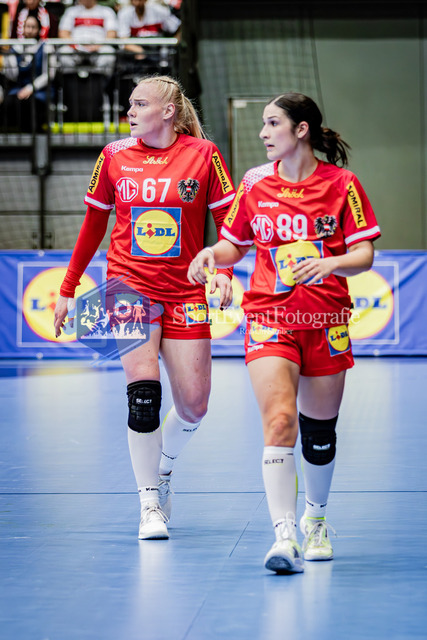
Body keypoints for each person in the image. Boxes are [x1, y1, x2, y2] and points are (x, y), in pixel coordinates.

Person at [188, 92, 381, 574]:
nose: (263, 133)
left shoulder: (343, 185)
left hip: (326, 323)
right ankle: (285, 536)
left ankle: (316, 521)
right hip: (269, 320)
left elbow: (364, 255)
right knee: (279, 422)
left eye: (273, 123)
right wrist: (210, 254)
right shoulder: (255, 182)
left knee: (319, 434)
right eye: (263, 124)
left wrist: (331, 263)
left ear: (301, 129)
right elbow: (233, 244)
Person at [53, 75, 236, 541]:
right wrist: (69, 287)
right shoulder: (113, 155)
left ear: (168, 111)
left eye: (139, 104)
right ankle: (149, 502)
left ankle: (164, 467)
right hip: (127, 288)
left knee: (194, 405)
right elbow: (93, 224)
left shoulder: (204, 155)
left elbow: (230, 222)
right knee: (143, 393)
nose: (129, 112)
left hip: (186, 290)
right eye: (130, 104)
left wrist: (224, 272)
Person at [0, 15, 56, 132]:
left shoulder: (46, 47)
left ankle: (35, 134)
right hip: (19, 89)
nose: (30, 30)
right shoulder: (16, 48)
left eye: (33, 27)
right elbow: (13, 76)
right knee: (9, 102)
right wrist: (8, 58)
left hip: (40, 90)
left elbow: (49, 74)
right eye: (27, 27)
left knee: (30, 104)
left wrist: (30, 88)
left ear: (39, 29)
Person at [58, 0, 118, 76]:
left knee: (108, 52)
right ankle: (71, 80)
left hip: (99, 48)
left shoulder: (106, 11)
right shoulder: (71, 11)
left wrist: (97, 46)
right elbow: (63, 33)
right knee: (64, 51)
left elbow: (111, 34)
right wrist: (76, 46)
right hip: (76, 48)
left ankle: (99, 80)